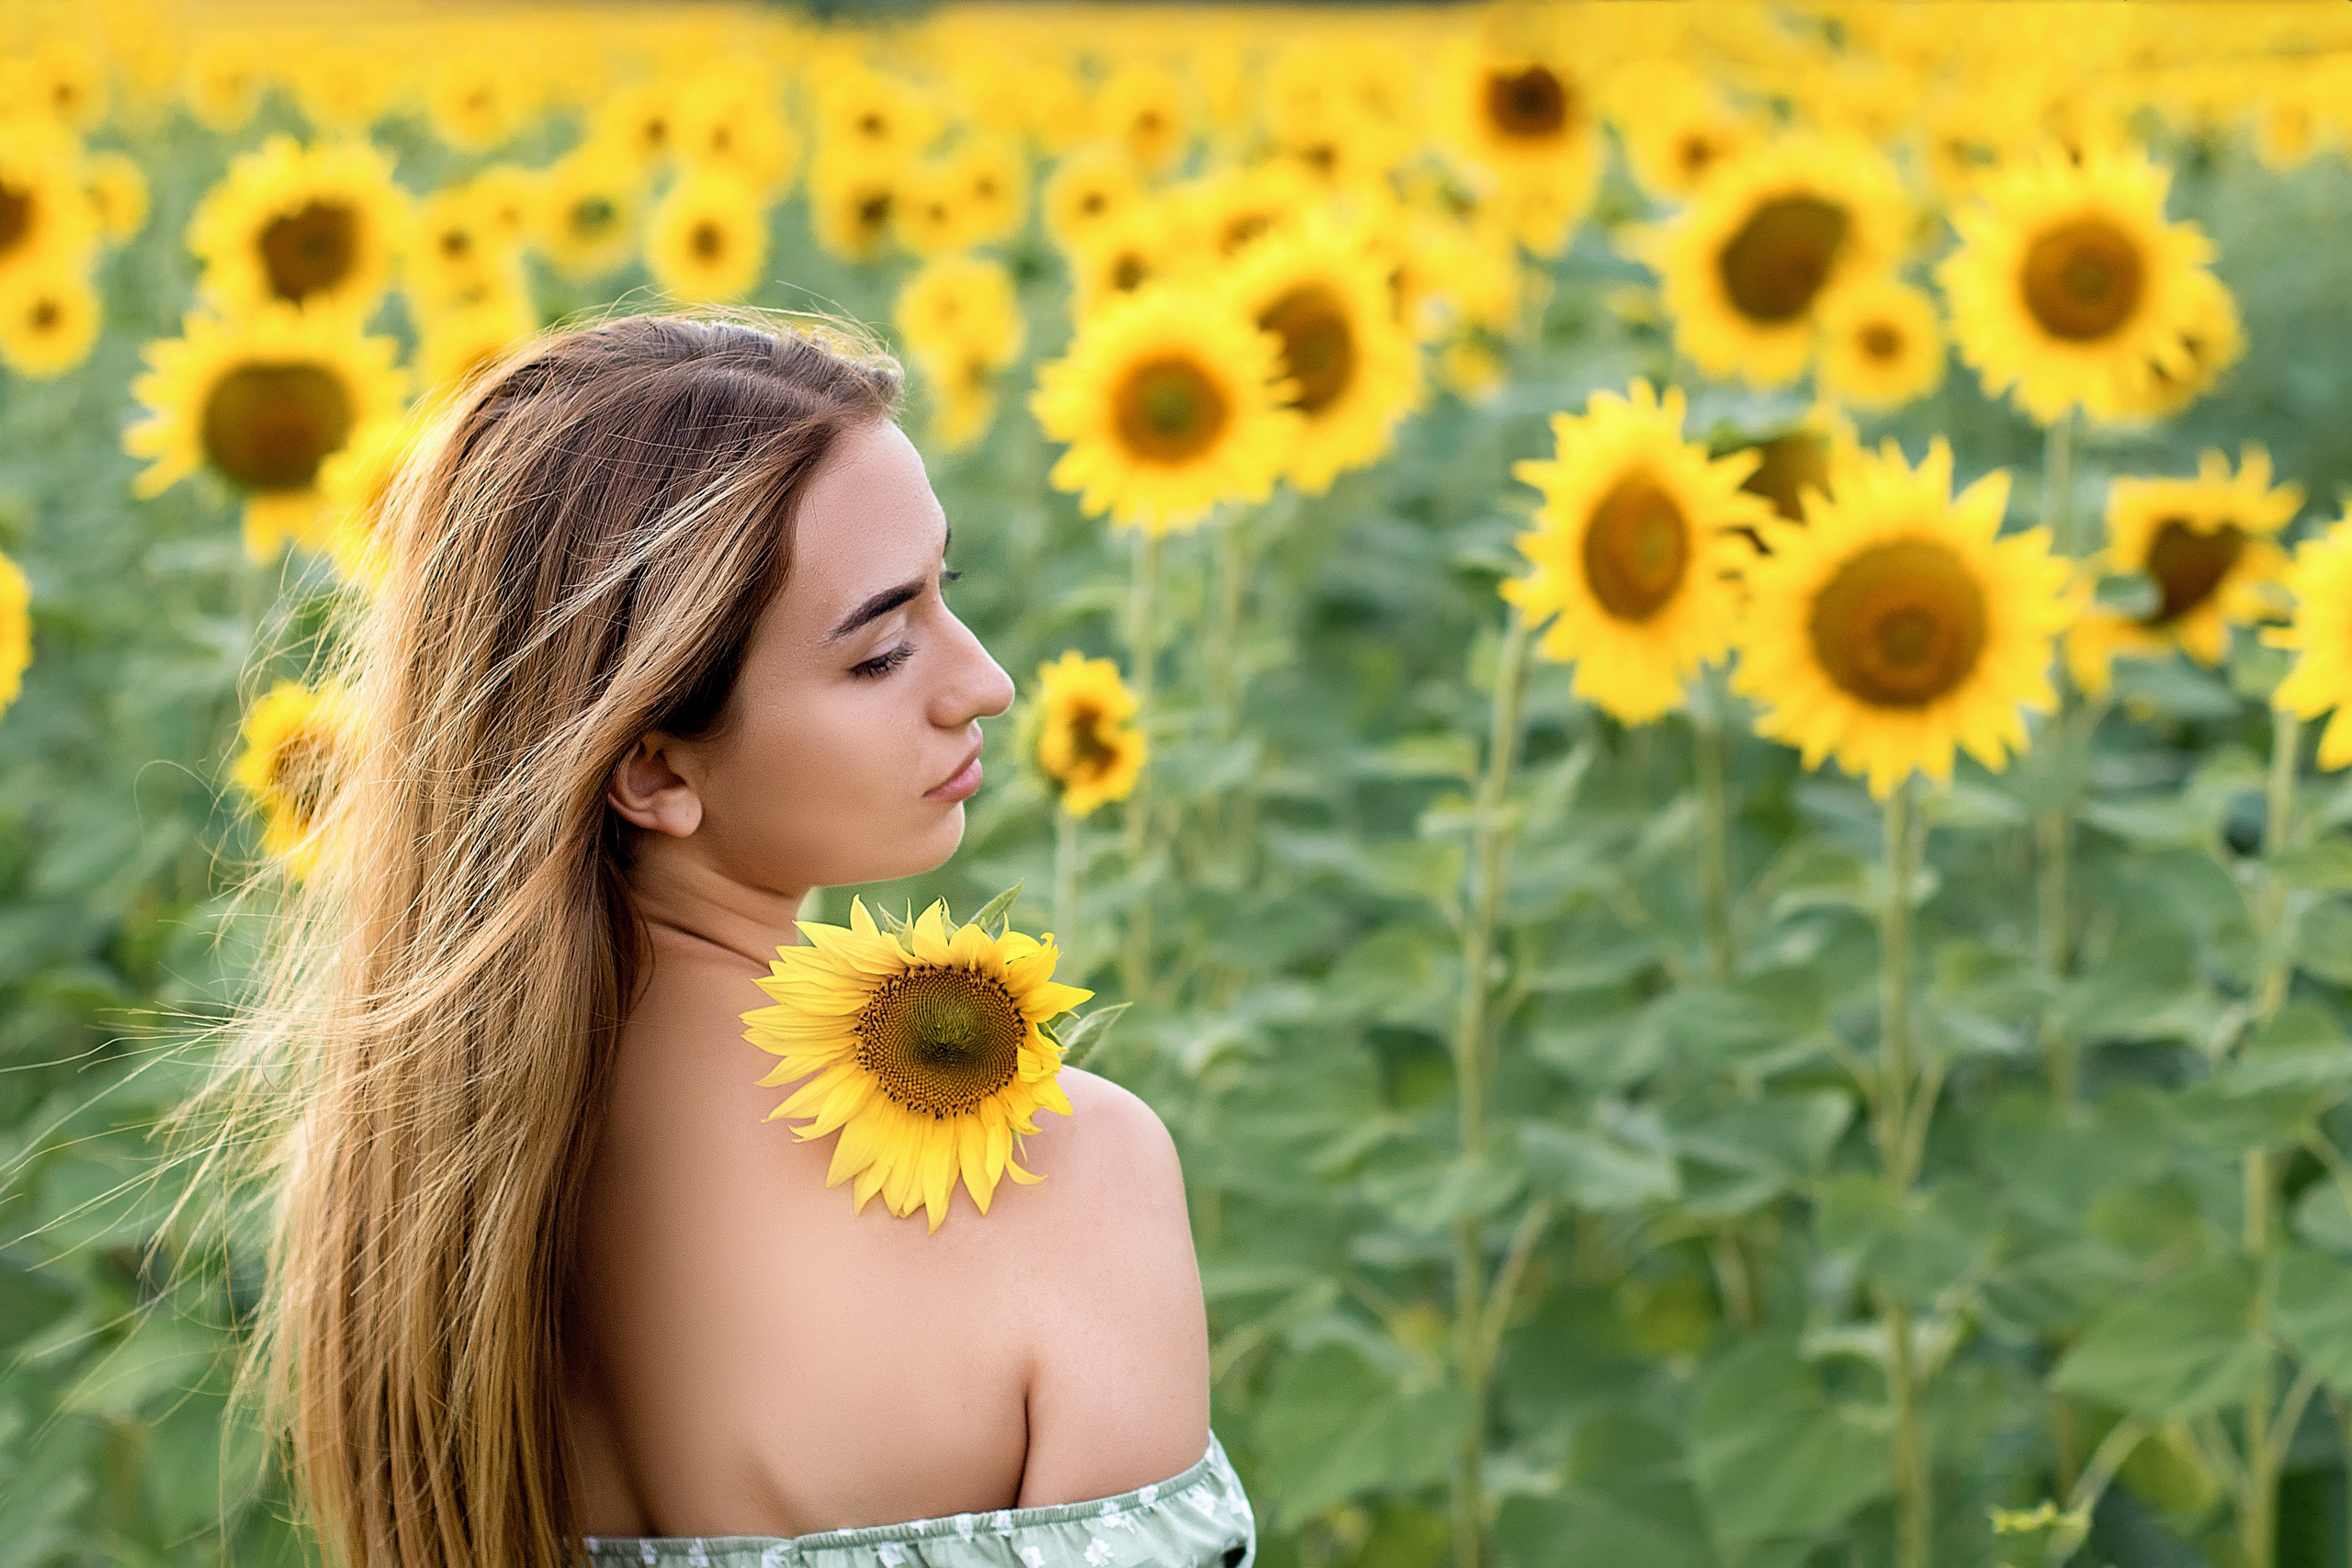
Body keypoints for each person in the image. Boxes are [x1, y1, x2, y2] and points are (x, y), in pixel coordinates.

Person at [181, 313, 1254, 1568]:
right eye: (883, 648)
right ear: (651, 769)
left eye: (942, 598)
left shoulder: (411, 1194)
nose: (982, 682)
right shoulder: (1069, 1178)